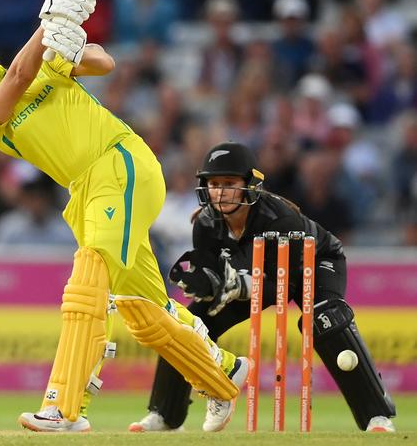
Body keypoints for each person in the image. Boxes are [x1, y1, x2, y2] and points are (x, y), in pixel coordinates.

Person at [0, 0, 246, 433]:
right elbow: (17, 77)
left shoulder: (46, 66)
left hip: (119, 162)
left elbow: (104, 63)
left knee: (89, 274)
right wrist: (48, 24)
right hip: (86, 191)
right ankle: (224, 375)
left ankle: (65, 407)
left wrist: (72, 44)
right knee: (142, 310)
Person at [129, 141, 397, 433]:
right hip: (256, 280)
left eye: (229, 183)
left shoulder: (281, 219)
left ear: (250, 185)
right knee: (186, 323)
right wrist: (206, 284)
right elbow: (211, 274)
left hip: (315, 263)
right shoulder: (205, 224)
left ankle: (377, 416)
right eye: (214, 183)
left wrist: (239, 284)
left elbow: (283, 289)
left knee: (325, 320)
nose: (220, 191)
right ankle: (166, 415)